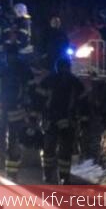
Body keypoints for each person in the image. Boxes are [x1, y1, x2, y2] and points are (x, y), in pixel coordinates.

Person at [0, 44, 35, 181]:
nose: (10, 58)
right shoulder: (5, 68)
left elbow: (31, 89)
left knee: (10, 140)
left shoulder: (18, 69)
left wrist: (30, 108)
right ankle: (7, 164)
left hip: (11, 110)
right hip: (7, 110)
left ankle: (10, 170)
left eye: (11, 55)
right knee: (4, 140)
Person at [34, 56, 89, 184]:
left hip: (52, 120)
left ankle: (49, 175)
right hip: (67, 121)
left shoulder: (49, 80)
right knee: (64, 151)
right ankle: (63, 177)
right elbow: (83, 103)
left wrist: (34, 116)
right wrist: (84, 121)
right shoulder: (75, 82)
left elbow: (38, 100)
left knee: (49, 149)